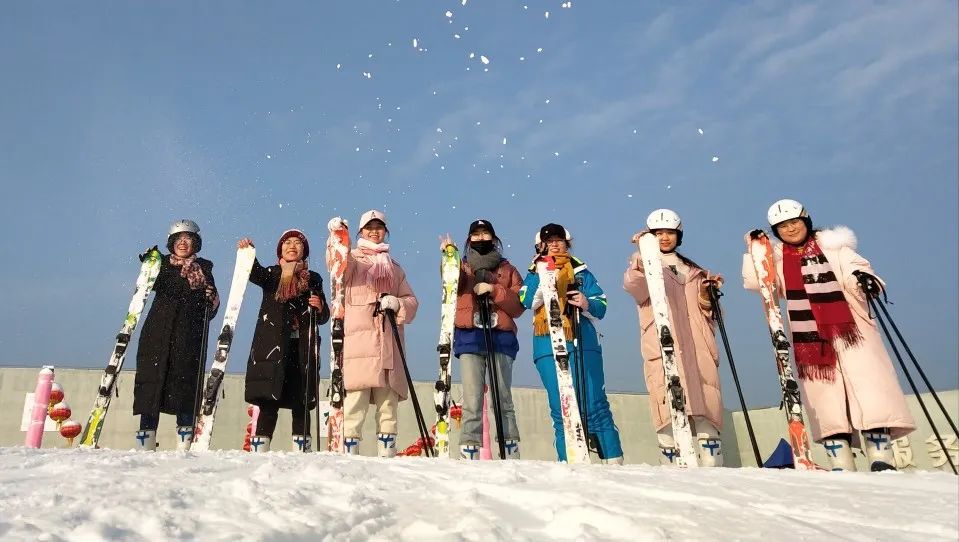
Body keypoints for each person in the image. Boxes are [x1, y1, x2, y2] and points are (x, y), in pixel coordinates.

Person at [741, 199, 915, 471]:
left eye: (794, 222)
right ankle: (840, 463)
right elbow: (759, 283)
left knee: (870, 395)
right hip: (811, 340)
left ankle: (882, 460)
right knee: (828, 404)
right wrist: (755, 249)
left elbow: (858, 269)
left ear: (806, 221)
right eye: (783, 226)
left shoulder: (835, 248)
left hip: (850, 332)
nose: (790, 229)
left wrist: (864, 280)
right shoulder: (778, 260)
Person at [623, 209, 725, 467]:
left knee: (705, 405)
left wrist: (707, 296)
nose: (664, 238)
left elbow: (713, 314)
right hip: (663, 344)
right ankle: (671, 461)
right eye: (658, 234)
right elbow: (635, 288)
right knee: (667, 402)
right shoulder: (641, 264)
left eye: (669, 232)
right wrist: (642, 257)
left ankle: (712, 463)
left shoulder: (694, 271)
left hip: (698, 346)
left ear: (679, 235)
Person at [518, 223, 624, 464]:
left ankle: (613, 461)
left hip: (583, 342)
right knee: (561, 408)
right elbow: (527, 301)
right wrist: (542, 272)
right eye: (548, 241)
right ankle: (569, 462)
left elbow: (601, 306)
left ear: (567, 243)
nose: (554, 245)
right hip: (547, 344)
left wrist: (586, 303)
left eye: (559, 240)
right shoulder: (534, 272)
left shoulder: (581, 271)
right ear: (539, 246)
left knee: (595, 404)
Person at [328, 210, 419, 457]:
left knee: (388, 406)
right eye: (369, 228)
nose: (374, 232)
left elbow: (412, 301)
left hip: (388, 346)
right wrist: (338, 237)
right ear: (361, 231)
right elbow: (337, 266)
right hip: (359, 347)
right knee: (354, 405)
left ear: (385, 231)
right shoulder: (354, 260)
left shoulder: (394, 268)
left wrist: (398, 303)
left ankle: (386, 455)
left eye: (379, 227)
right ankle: (349, 455)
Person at [239, 229, 329, 452]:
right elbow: (253, 272)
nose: (292, 246)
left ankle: (302, 450)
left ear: (304, 251)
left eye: (297, 243)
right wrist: (248, 252)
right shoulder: (271, 274)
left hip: (302, 347)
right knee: (269, 399)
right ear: (280, 250)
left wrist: (320, 307)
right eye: (287, 243)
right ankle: (260, 448)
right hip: (273, 346)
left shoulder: (313, 278)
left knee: (302, 400)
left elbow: (324, 316)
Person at [133, 219, 219, 451]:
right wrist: (149, 263)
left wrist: (209, 297)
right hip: (156, 335)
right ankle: (146, 441)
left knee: (185, 387)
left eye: (188, 239)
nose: (183, 243)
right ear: (171, 243)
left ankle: (185, 445)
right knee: (152, 386)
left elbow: (213, 306)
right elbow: (145, 286)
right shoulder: (161, 266)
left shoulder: (203, 269)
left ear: (195, 244)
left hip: (188, 338)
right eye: (178, 239)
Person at [447, 219, 526, 460]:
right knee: (472, 398)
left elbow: (519, 305)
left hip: (500, 337)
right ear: (469, 239)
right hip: (470, 336)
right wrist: (450, 256)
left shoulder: (508, 270)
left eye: (485, 234)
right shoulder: (463, 267)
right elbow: (451, 284)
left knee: (502, 397)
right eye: (476, 234)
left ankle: (509, 447)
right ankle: (469, 447)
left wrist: (495, 290)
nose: (481, 238)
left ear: (494, 237)